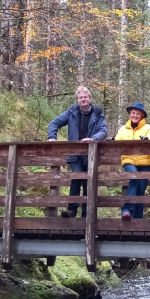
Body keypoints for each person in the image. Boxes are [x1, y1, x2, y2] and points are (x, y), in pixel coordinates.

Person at [47, 86, 107, 217]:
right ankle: (72, 209)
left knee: (88, 181)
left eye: (85, 97)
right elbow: (54, 123)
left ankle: (87, 212)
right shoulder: (72, 112)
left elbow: (103, 131)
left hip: (91, 153)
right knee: (76, 178)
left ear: (90, 98)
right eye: (80, 97)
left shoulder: (97, 113)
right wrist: (52, 137)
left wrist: (93, 138)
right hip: (75, 153)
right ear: (78, 99)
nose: (83, 99)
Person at [115, 103, 150, 219]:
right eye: (133, 113)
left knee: (141, 191)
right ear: (130, 114)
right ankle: (127, 210)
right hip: (129, 160)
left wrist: (146, 140)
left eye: (138, 113)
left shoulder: (148, 128)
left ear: (142, 115)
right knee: (134, 177)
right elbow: (117, 141)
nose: (135, 115)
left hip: (145, 162)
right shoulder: (123, 128)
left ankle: (138, 221)